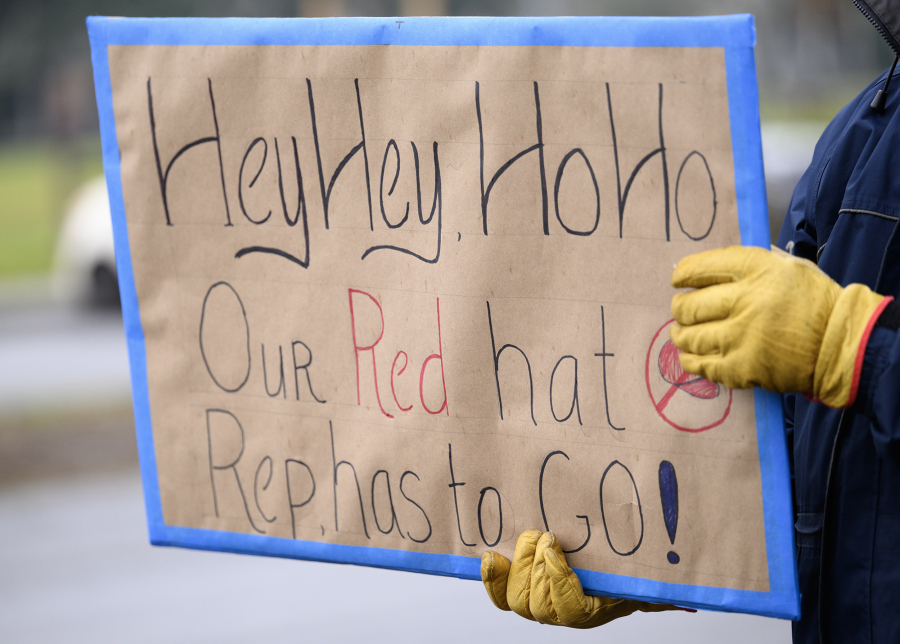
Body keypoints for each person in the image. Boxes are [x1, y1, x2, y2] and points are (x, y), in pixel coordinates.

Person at [480, 2, 900, 642]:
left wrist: (859, 352)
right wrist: (646, 559)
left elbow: (842, 356)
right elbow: (776, 456)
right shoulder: (859, 136)